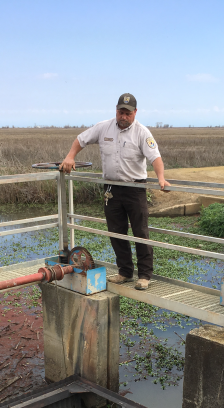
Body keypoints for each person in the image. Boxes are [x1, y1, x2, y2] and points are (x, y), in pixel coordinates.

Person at [60, 93, 170, 291]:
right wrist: (70, 157)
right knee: (116, 232)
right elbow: (81, 139)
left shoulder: (142, 133)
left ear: (135, 112)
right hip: (111, 189)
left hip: (135, 188)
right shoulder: (104, 127)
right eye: (121, 112)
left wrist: (161, 178)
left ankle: (144, 275)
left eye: (128, 113)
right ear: (116, 110)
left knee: (140, 232)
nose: (123, 116)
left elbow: (155, 157)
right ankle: (125, 272)